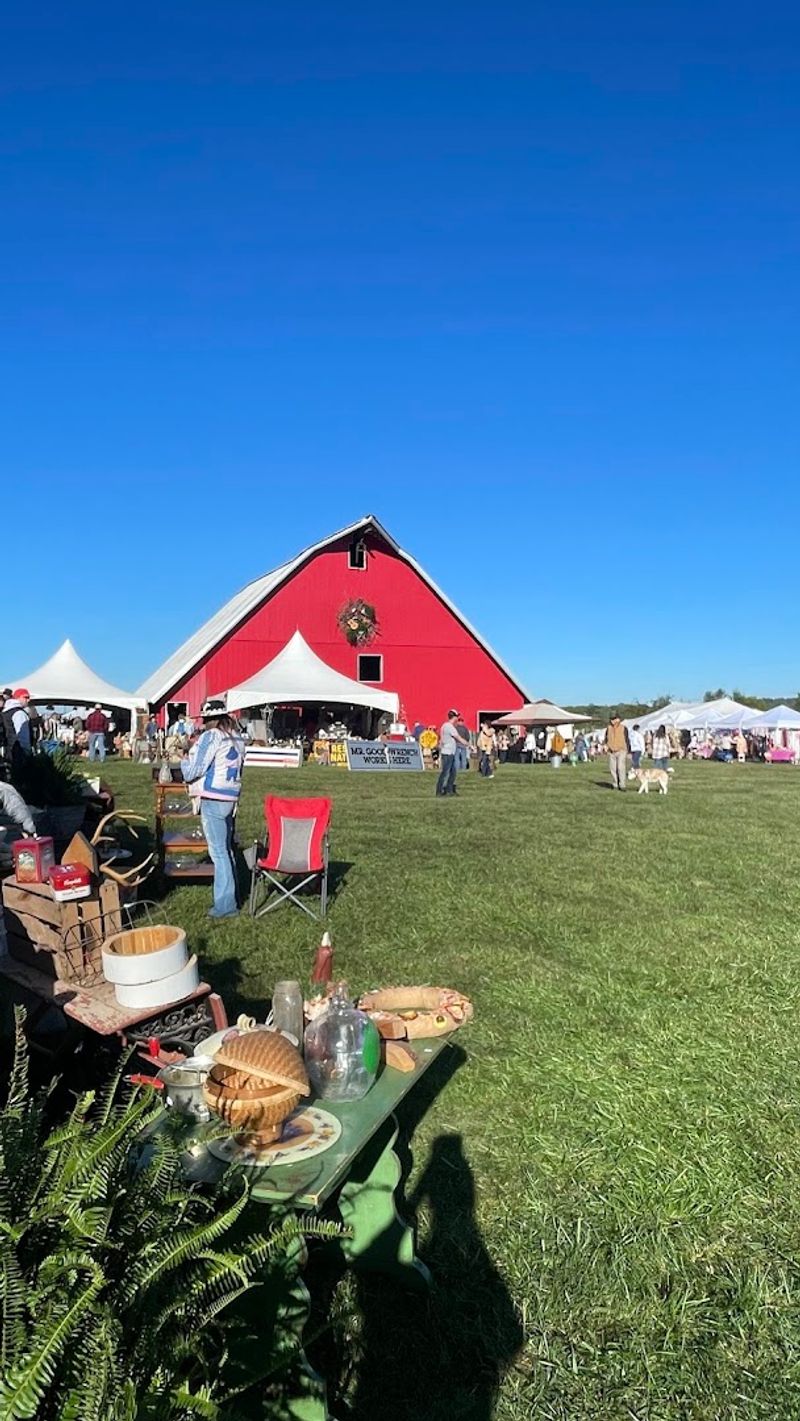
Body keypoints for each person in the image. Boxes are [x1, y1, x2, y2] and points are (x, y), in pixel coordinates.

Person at [181, 699, 245, 918]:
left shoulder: (212, 736)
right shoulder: (237, 737)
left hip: (213, 795)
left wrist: (183, 761)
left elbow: (194, 769)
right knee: (227, 850)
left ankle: (225, 906)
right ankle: (233, 896)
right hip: (231, 795)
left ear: (209, 719)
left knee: (218, 853)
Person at [435, 709, 470, 798]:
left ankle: (448, 790)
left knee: (452, 772)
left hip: (447, 751)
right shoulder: (449, 727)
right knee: (446, 772)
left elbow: (441, 739)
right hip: (448, 752)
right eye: (457, 716)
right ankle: (440, 791)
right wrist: (468, 744)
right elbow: (458, 737)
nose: (457, 718)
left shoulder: (444, 726)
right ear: (454, 717)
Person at [1, 689, 33, 774]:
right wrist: (27, 753)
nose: (28, 700)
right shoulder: (19, 713)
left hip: (8, 751)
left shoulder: (5, 712)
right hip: (18, 753)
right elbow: (23, 735)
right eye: (26, 697)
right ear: (18, 698)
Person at [605, 713, 629, 791]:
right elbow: (606, 738)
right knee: (613, 768)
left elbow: (627, 739)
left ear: (618, 719)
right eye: (611, 719)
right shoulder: (608, 728)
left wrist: (628, 750)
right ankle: (615, 784)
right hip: (611, 751)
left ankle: (622, 785)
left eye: (614, 719)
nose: (612, 720)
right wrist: (606, 746)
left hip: (621, 750)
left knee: (620, 768)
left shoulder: (623, 728)